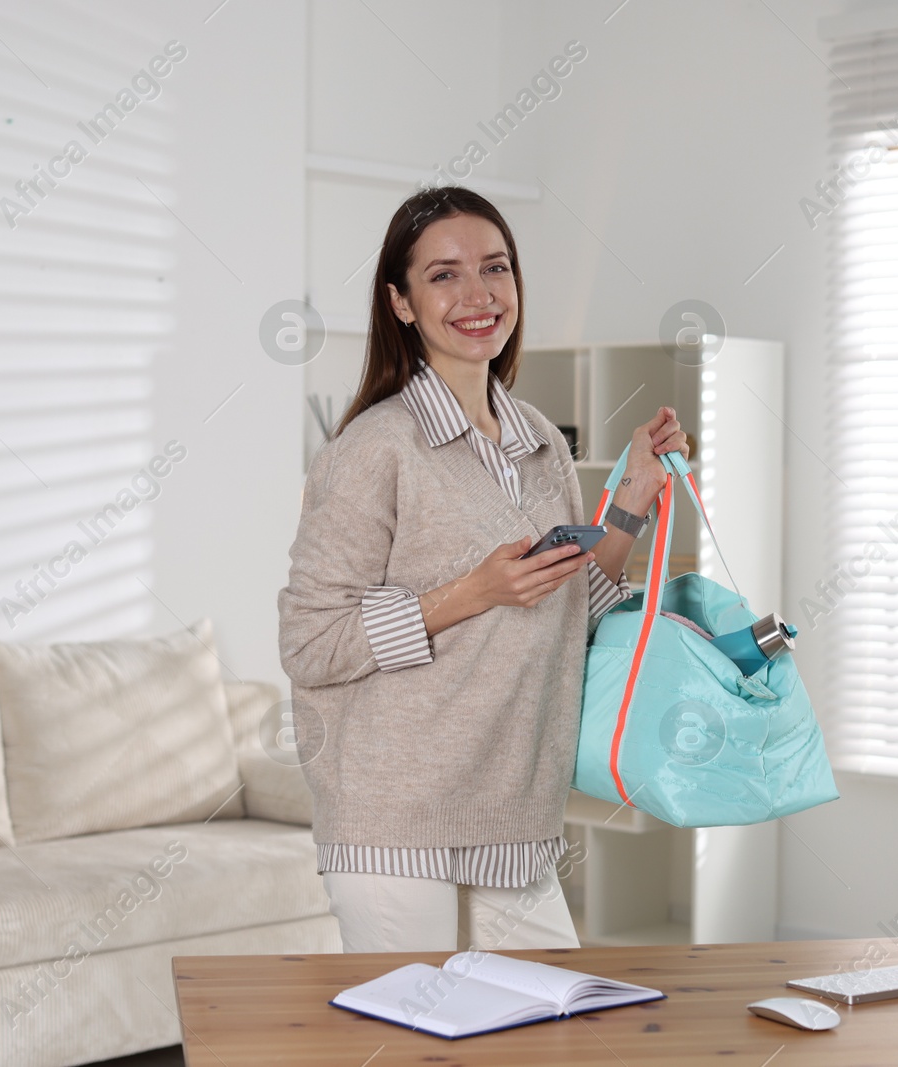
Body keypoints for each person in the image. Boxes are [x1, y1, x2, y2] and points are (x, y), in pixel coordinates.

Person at [276, 186, 688, 953]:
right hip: (395, 817)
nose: (478, 294)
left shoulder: (538, 438)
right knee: (420, 1044)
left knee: (547, 1033)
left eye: (494, 268)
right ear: (400, 303)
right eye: (444, 275)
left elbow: (570, 609)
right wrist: (469, 593)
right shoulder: (375, 449)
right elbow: (309, 641)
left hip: (515, 808)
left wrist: (632, 496)